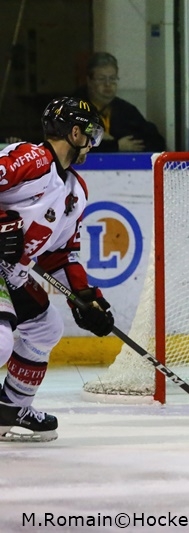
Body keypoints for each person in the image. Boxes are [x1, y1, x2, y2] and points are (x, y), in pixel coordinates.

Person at [0, 97, 115, 442]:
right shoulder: (29, 159)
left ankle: (10, 408)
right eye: (91, 135)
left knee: (45, 328)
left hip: (10, 273)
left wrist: (85, 297)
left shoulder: (76, 191)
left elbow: (61, 254)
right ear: (75, 132)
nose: (92, 145)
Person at [74, 52, 166, 152]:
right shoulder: (74, 108)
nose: (108, 84)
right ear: (89, 81)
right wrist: (115, 146)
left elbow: (157, 142)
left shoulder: (126, 110)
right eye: (101, 79)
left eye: (112, 79)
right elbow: (73, 144)